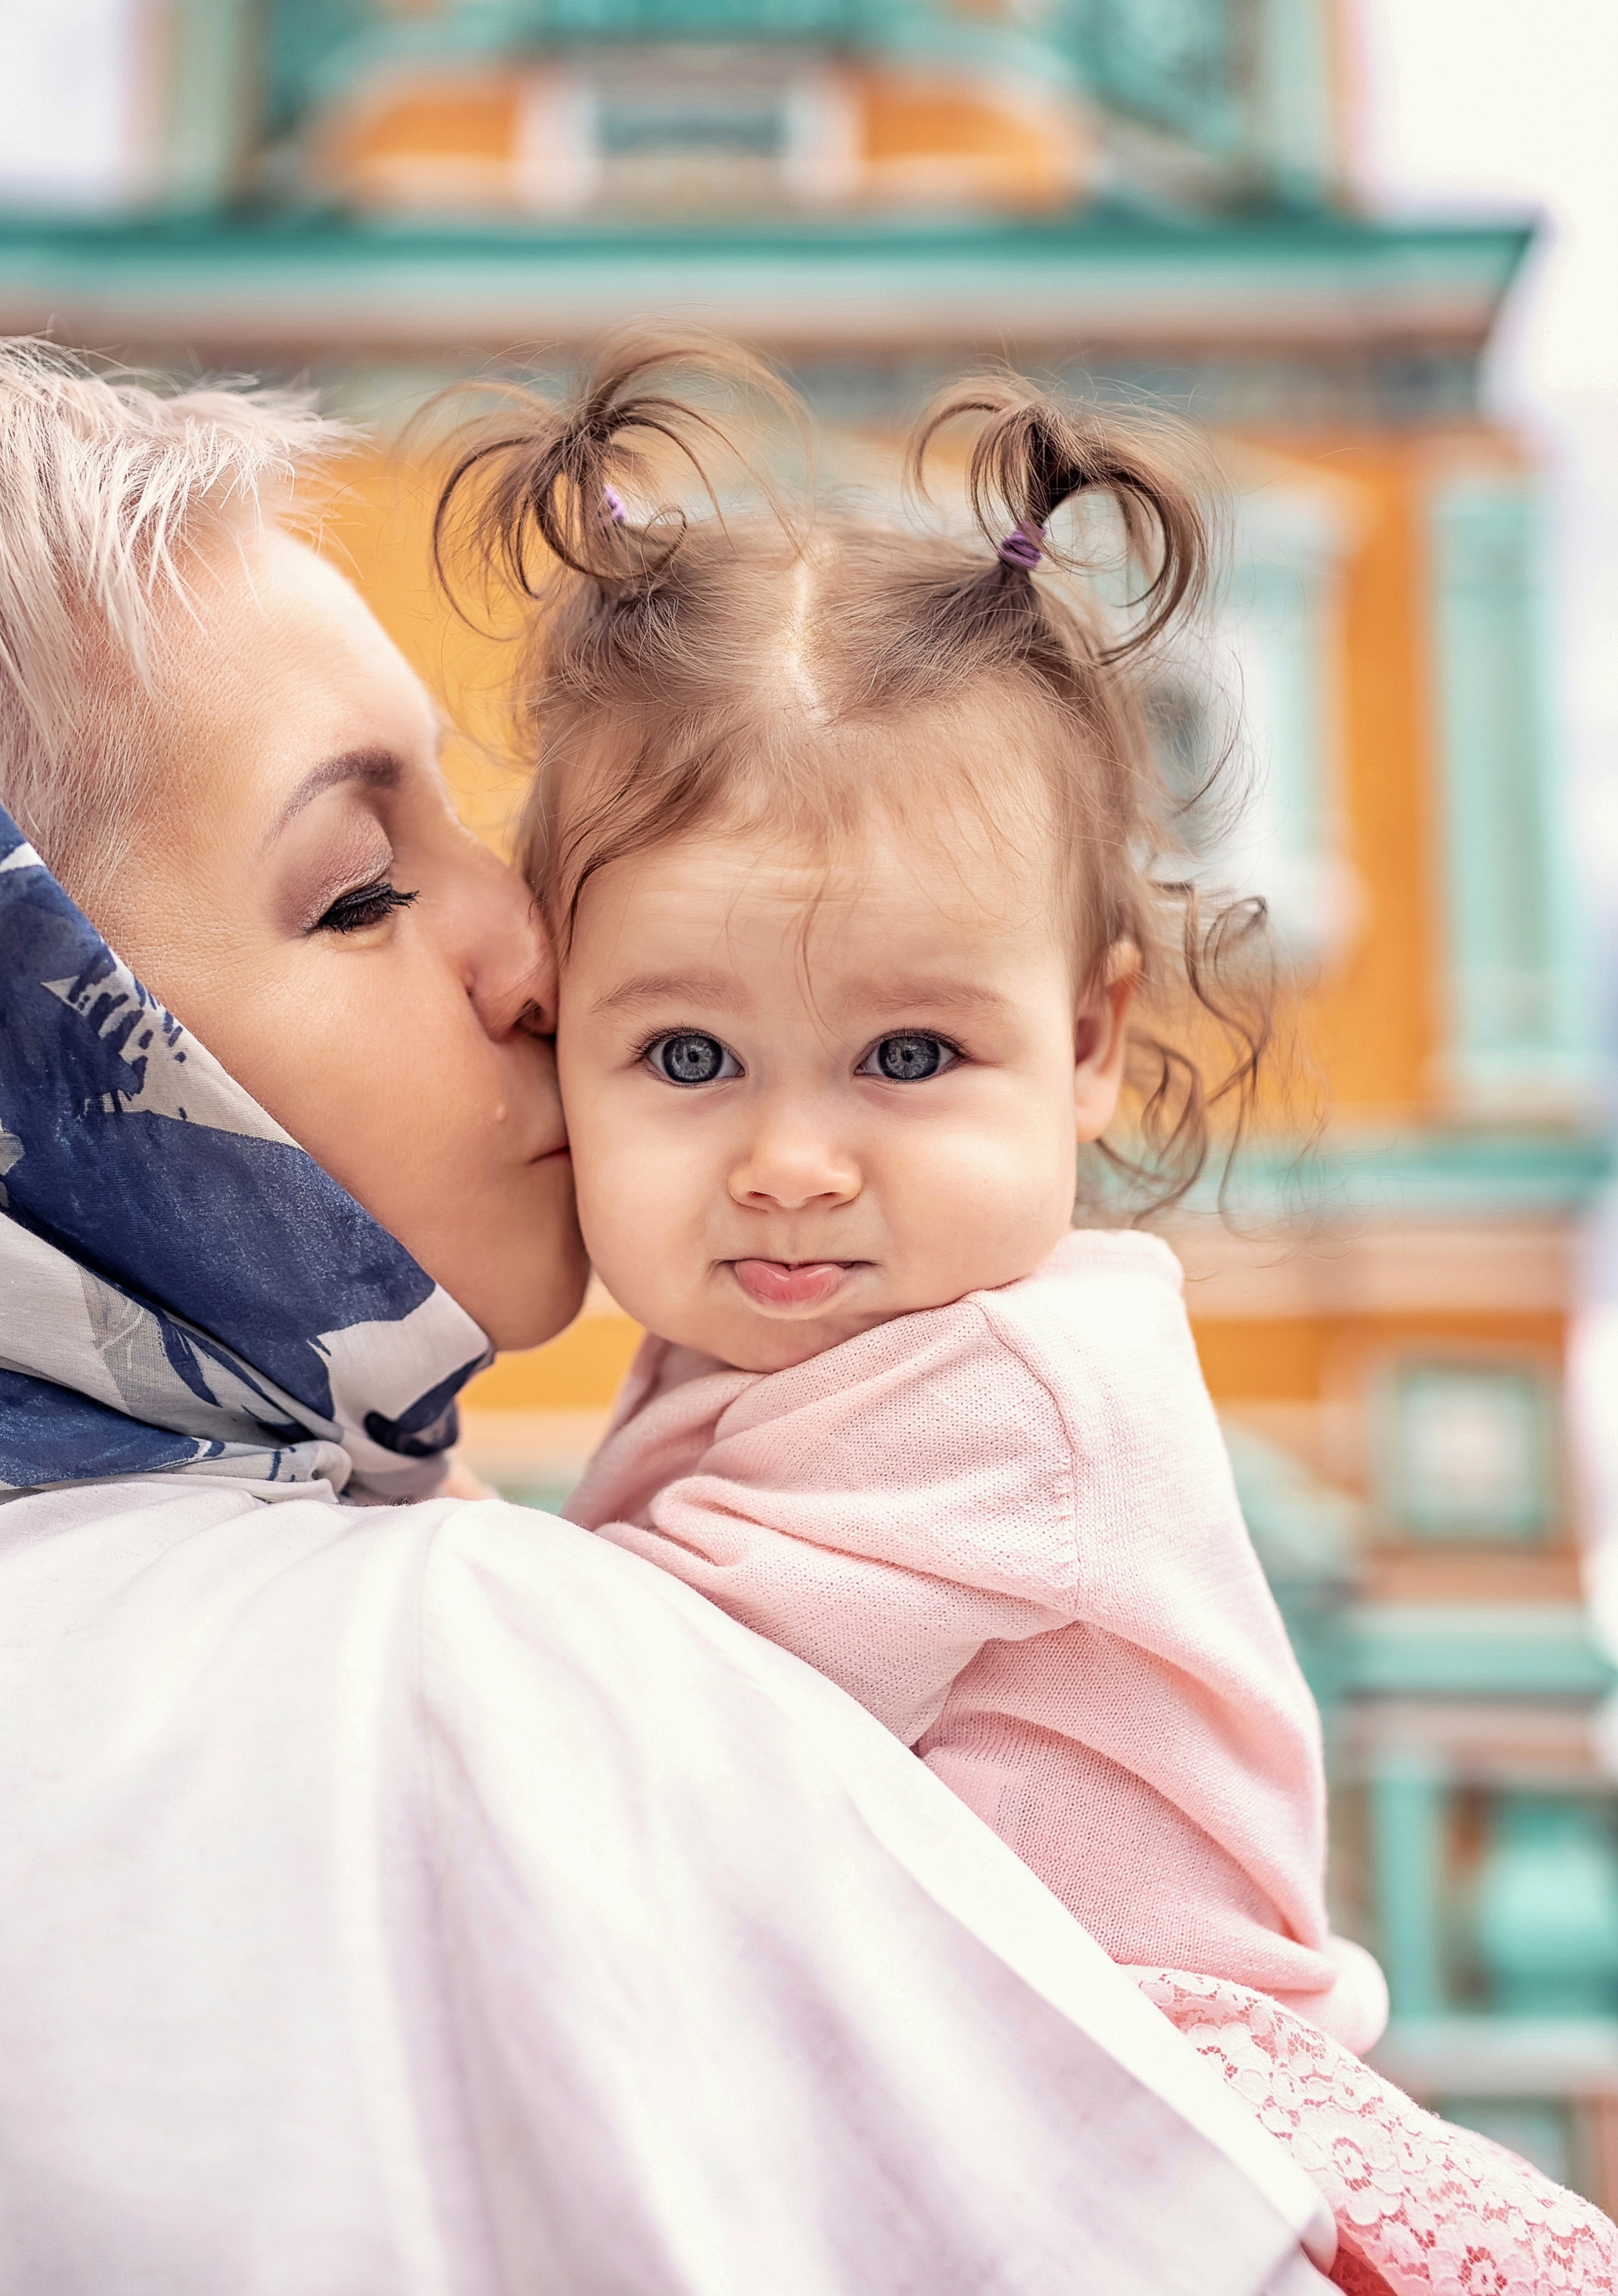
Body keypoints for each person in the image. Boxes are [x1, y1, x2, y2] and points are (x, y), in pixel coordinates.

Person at [0, 342, 1342, 2296]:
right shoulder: (468, 1681)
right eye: (361, 893)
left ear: (1092, 1035)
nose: (533, 951)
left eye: (467, 829)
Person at [436, 341, 1618, 2296]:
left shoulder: (1012, 1382)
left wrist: (383, 1542)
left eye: (907, 1050)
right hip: (995, 2111)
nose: (795, 1160)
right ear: (560, 1036)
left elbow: (656, 1711)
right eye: (690, 1052)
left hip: (1142, 2143)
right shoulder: (776, 1346)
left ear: (1087, 1046)